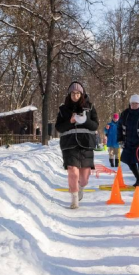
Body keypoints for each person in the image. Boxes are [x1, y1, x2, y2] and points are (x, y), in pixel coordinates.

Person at [55, 81, 99, 209]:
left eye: (78, 93)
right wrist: (70, 121)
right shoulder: (63, 110)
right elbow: (59, 128)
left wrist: (85, 120)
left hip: (86, 144)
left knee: (84, 177)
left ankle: (80, 187)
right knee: (73, 172)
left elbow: (95, 125)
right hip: (69, 145)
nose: (75, 95)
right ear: (69, 94)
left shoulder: (90, 107)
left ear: (82, 94)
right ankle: (74, 199)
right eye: (73, 93)